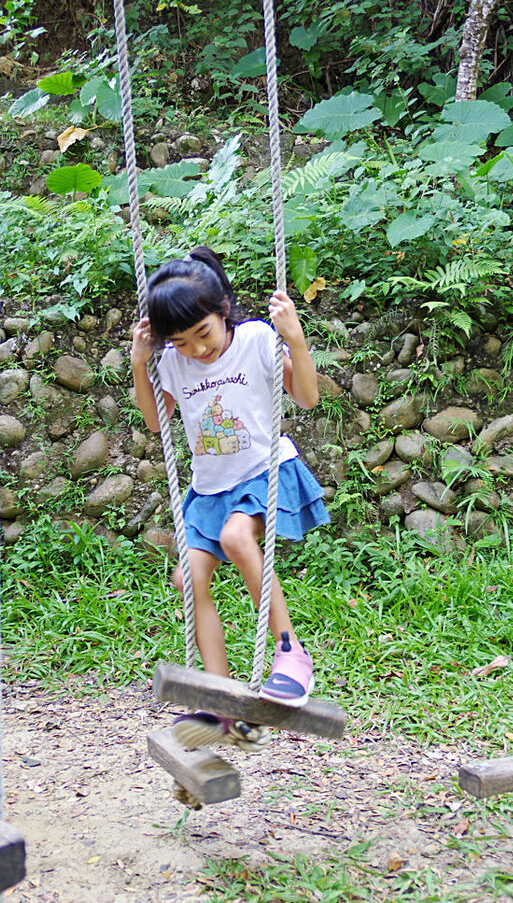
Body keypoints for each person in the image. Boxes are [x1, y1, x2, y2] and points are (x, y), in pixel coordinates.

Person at [130, 247, 329, 750]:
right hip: (209, 486)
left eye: (204, 333)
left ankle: (291, 652)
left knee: (238, 537)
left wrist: (297, 341)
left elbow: (306, 398)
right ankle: (219, 702)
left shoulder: (258, 339)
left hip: (264, 472)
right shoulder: (172, 363)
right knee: (187, 575)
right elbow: (157, 422)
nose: (197, 349)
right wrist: (141, 362)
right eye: (181, 341)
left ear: (223, 311)